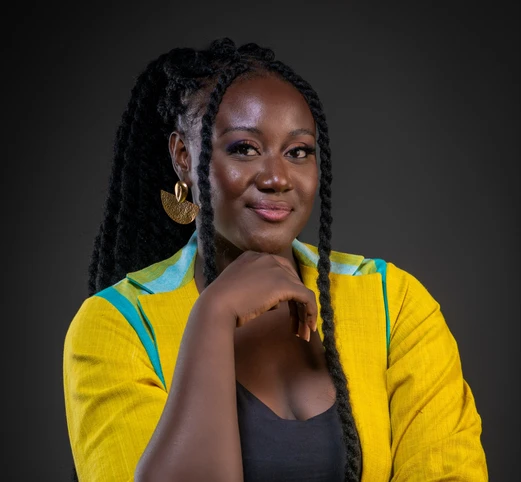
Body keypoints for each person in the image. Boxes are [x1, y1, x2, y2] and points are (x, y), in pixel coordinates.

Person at [63, 38, 488, 482]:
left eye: (298, 152)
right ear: (183, 157)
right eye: (244, 148)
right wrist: (213, 314)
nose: (277, 178)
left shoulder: (393, 303)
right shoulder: (116, 328)